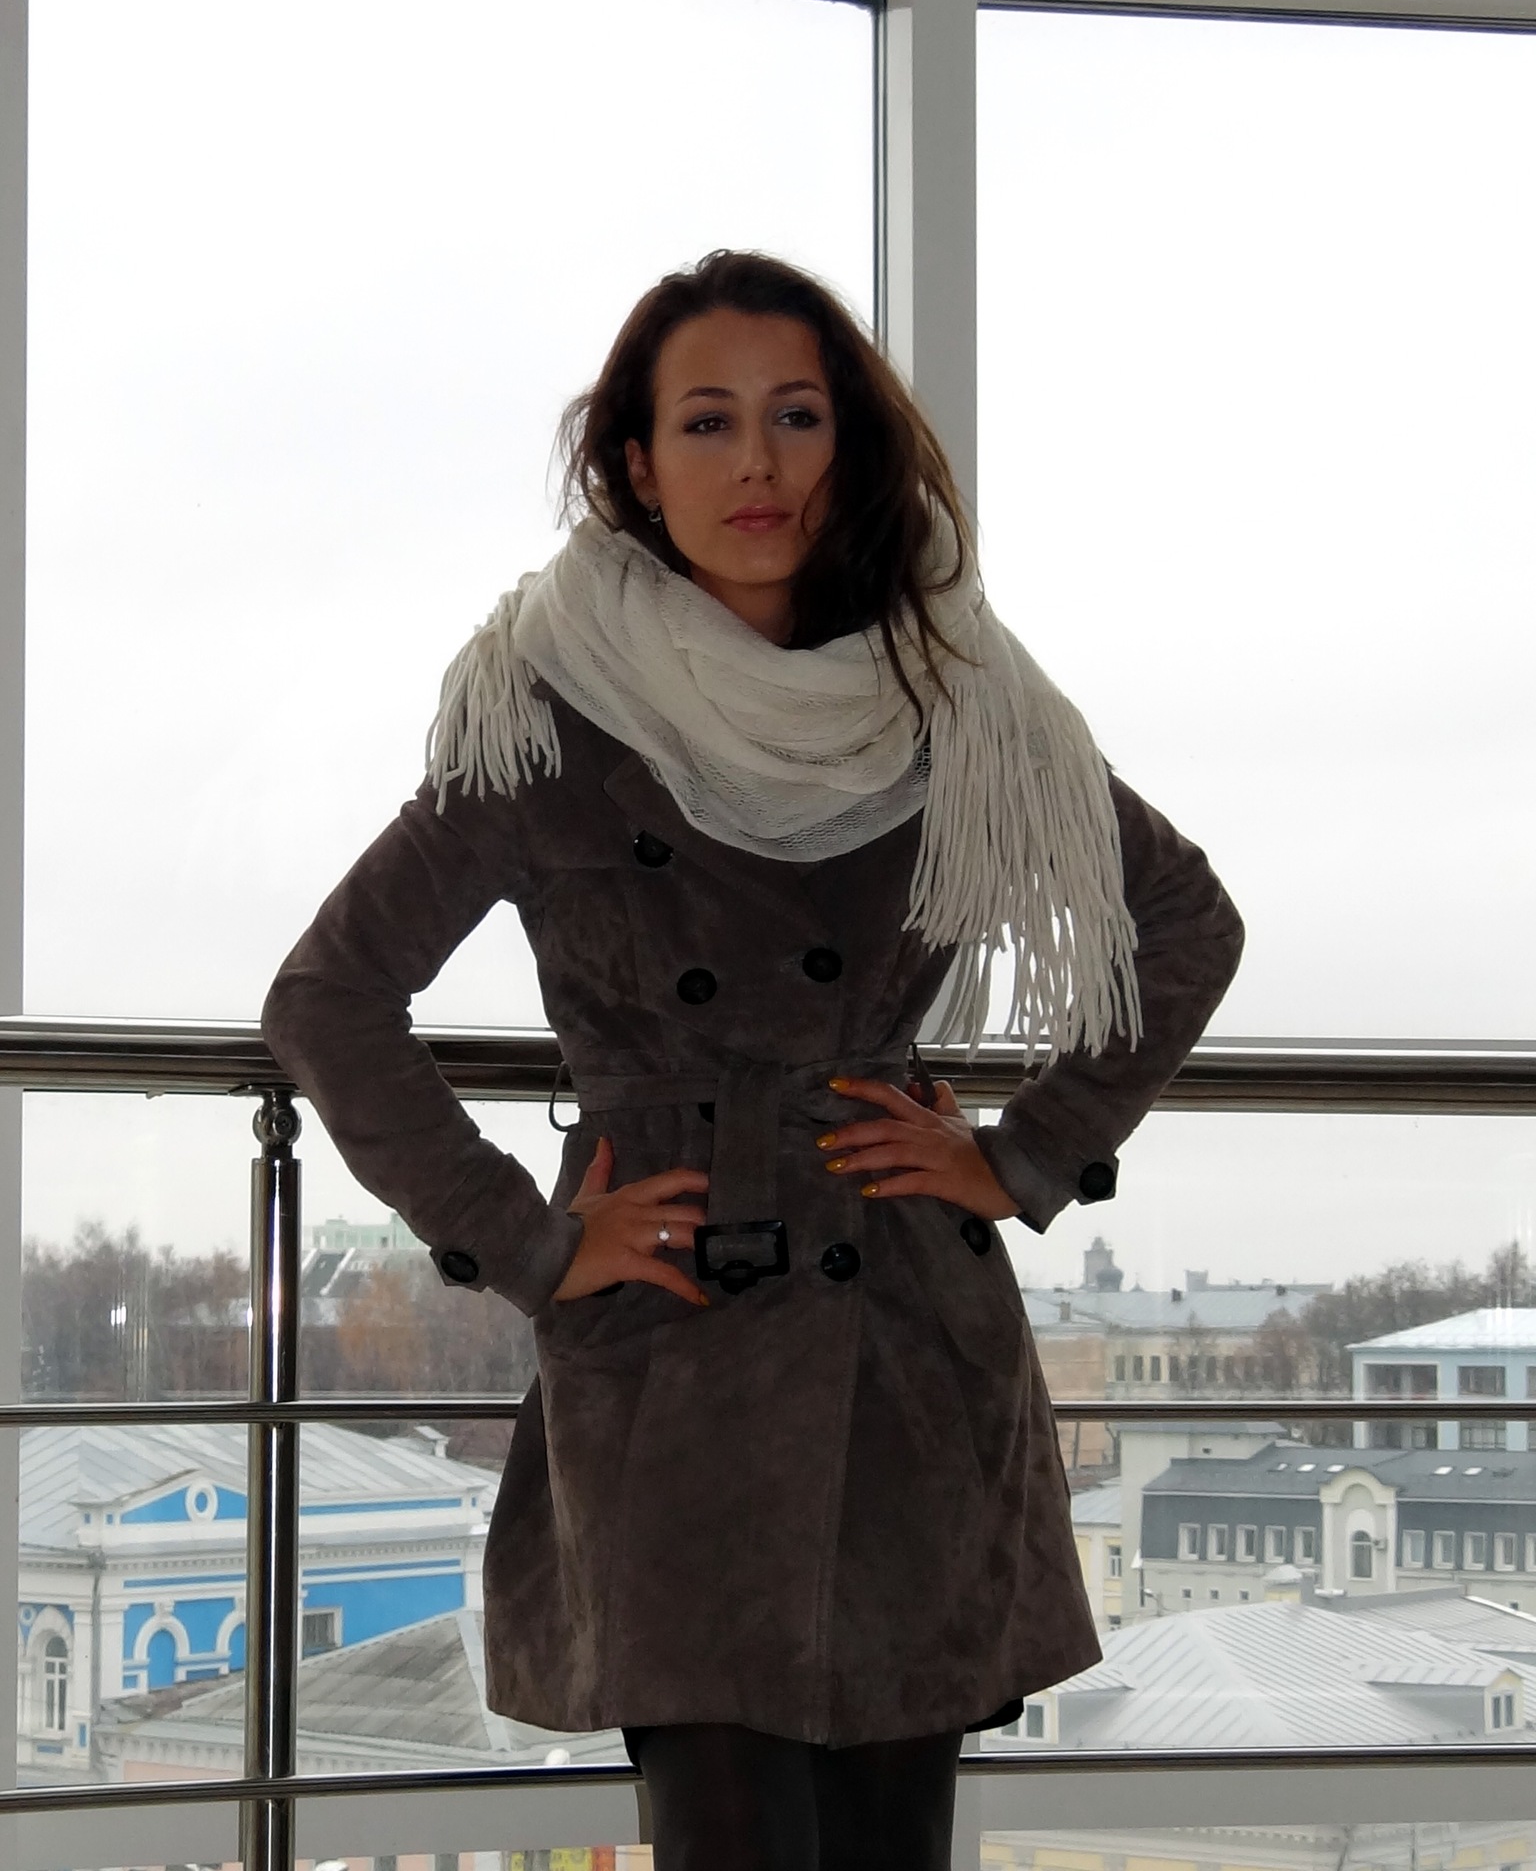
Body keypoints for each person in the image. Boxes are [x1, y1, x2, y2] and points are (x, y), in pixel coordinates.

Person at [261, 249, 1243, 1869]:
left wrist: (1019, 1153)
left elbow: (1186, 922)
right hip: (672, 1342)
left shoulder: (956, 694)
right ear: (638, 465)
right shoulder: (547, 706)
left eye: (797, 414)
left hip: (905, 1336)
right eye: (707, 421)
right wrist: (525, 1238)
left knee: (888, 1845)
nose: (758, 462)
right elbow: (329, 996)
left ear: (849, 443)